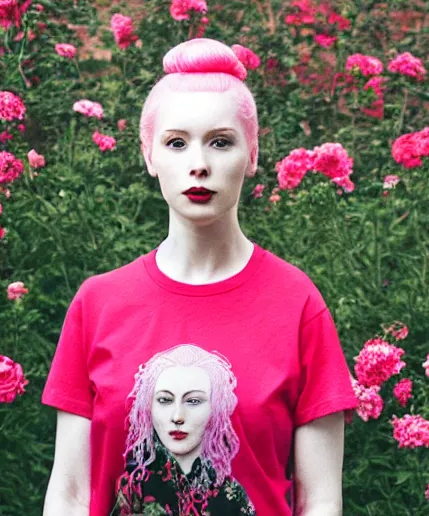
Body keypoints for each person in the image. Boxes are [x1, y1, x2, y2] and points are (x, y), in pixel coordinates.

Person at [42, 38, 358, 516]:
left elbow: (320, 501)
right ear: (149, 156)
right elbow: (69, 496)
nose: (199, 164)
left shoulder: (297, 303)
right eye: (176, 142)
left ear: (251, 155)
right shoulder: (98, 304)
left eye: (221, 141)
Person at [110, 344, 255, 515]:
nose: (178, 416)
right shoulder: (135, 487)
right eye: (165, 400)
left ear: (216, 409)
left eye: (193, 401)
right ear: (149, 407)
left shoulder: (231, 496)